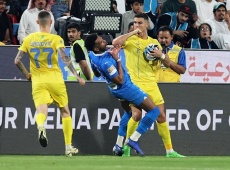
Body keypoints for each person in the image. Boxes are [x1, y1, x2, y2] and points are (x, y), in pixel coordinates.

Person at [112, 13, 185, 158]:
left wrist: (161, 55)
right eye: (135, 22)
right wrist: (132, 31)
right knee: (136, 114)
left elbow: (167, 63)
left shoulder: (154, 43)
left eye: (140, 23)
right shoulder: (130, 40)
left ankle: (169, 151)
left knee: (161, 115)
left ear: (147, 25)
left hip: (151, 82)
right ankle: (127, 146)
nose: (137, 25)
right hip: (134, 83)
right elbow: (115, 42)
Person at [14, 11, 85, 156]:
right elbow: (64, 57)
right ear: (51, 22)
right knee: (65, 112)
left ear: (37, 22)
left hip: (38, 80)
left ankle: (41, 126)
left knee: (41, 110)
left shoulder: (28, 39)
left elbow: (17, 60)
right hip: (55, 79)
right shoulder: (56, 39)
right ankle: (67, 147)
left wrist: (27, 74)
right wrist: (77, 76)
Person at [85, 34, 161, 156]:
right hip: (125, 88)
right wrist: (118, 59)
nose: (105, 41)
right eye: (101, 42)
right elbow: (120, 80)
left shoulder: (92, 55)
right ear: (96, 48)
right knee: (154, 111)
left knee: (130, 113)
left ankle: (118, 145)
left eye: (102, 39)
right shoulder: (106, 63)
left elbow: (96, 73)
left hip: (114, 90)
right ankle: (134, 139)